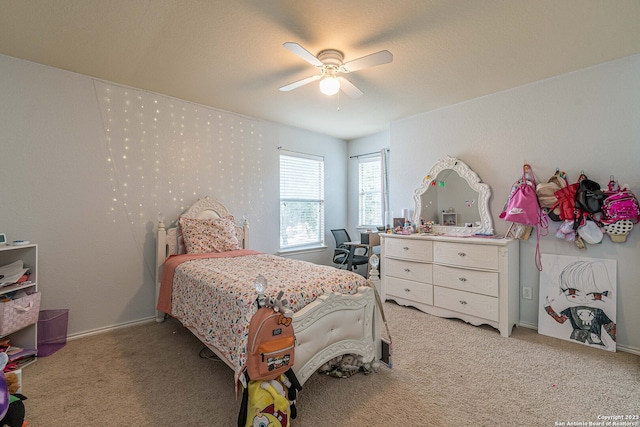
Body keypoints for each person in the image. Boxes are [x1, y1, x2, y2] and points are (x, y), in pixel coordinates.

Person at [544, 260, 616, 348]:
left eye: (595, 295)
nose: (583, 297)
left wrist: (608, 303)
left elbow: (611, 330)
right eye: (573, 292)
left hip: (596, 344)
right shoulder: (571, 310)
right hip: (574, 341)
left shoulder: (599, 312)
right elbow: (561, 320)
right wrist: (550, 306)